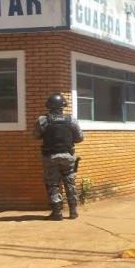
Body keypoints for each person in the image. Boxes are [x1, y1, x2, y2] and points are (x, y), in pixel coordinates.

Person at [34, 93, 84, 221]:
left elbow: (36, 136)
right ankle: (73, 211)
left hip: (50, 157)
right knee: (70, 183)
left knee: (53, 184)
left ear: (49, 106)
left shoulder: (43, 120)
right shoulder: (71, 119)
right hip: (68, 156)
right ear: (63, 106)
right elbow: (80, 138)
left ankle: (57, 213)